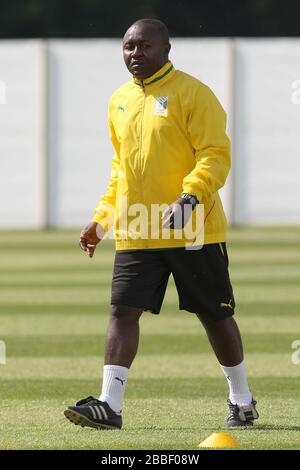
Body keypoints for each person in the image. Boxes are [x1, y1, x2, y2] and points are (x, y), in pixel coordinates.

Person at [64, 18, 259, 430]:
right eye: (128, 47)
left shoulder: (193, 93)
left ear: (166, 50)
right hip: (137, 229)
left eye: (144, 46)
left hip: (193, 229)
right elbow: (121, 171)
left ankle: (241, 400)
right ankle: (109, 405)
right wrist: (102, 220)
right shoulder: (119, 100)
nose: (135, 54)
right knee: (122, 311)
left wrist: (190, 196)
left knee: (214, 314)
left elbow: (215, 154)